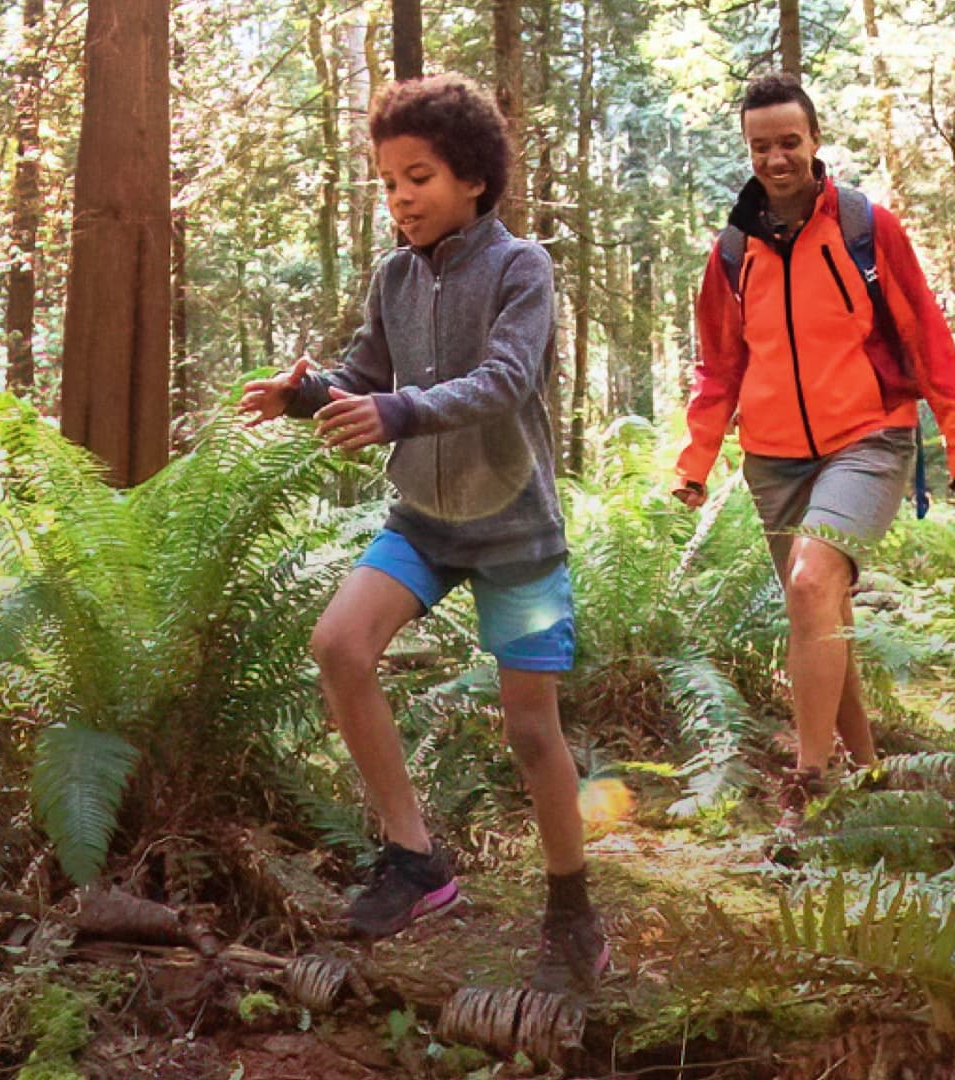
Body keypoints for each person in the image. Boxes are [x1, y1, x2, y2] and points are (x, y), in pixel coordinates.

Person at [237, 73, 607, 993]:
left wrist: (393, 409)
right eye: (389, 183)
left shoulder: (522, 267)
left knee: (529, 729)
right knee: (339, 645)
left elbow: (506, 379)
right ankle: (416, 859)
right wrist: (305, 395)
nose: (401, 199)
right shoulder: (393, 276)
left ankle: (572, 913)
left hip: (516, 533)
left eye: (420, 178)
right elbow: (367, 372)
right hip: (423, 522)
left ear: (474, 178)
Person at [671, 74, 955, 838]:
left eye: (790, 142)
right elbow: (719, 366)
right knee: (821, 607)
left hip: (870, 437)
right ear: (748, 149)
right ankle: (869, 775)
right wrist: (696, 458)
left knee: (812, 578)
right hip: (773, 457)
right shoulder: (731, 251)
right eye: (762, 146)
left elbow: (929, 344)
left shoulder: (864, 227)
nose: (777, 158)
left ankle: (808, 786)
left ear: (815, 141)